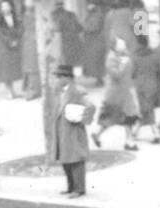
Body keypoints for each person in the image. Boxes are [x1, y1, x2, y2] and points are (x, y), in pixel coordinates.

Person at [51, 64, 96, 198]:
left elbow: (91, 106)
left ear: (67, 77)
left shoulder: (77, 91)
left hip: (74, 131)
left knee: (76, 159)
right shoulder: (59, 91)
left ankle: (79, 189)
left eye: (59, 77)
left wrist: (81, 119)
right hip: (62, 131)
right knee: (65, 159)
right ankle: (71, 187)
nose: (57, 80)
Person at [93, 37, 138, 150]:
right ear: (115, 47)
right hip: (115, 94)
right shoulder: (111, 58)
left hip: (124, 92)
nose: (124, 46)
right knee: (111, 117)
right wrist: (122, 65)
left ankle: (129, 141)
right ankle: (97, 135)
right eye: (121, 44)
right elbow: (116, 75)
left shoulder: (124, 55)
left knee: (129, 115)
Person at [131, 34, 160, 144]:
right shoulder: (154, 55)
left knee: (147, 110)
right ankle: (136, 131)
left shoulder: (135, 57)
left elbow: (132, 73)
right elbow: (159, 68)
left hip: (141, 86)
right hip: (153, 84)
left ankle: (156, 133)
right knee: (146, 109)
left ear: (139, 44)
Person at [0, 1, 23, 97]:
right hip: (3, 47)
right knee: (6, 70)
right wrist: (9, 42)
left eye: (7, 6)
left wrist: (17, 40)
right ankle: (9, 91)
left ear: (11, 7)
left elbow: (20, 29)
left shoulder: (15, 18)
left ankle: (13, 90)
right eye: (3, 7)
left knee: (12, 70)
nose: (5, 8)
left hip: (15, 46)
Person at [82, 2, 108, 82]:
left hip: (96, 40)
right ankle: (98, 78)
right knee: (94, 60)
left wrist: (86, 29)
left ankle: (99, 78)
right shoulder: (89, 16)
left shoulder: (98, 16)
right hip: (91, 41)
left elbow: (94, 27)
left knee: (97, 60)